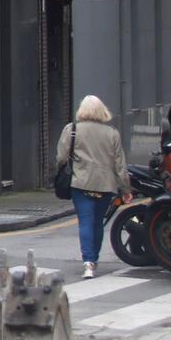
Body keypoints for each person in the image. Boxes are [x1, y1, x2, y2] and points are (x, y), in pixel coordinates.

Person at [56, 94, 130, 278]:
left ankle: (88, 263)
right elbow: (119, 164)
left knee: (86, 221)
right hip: (105, 185)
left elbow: (61, 157)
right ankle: (94, 258)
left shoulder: (71, 130)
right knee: (98, 223)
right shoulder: (112, 133)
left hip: (80, 182)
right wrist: (126, 189)